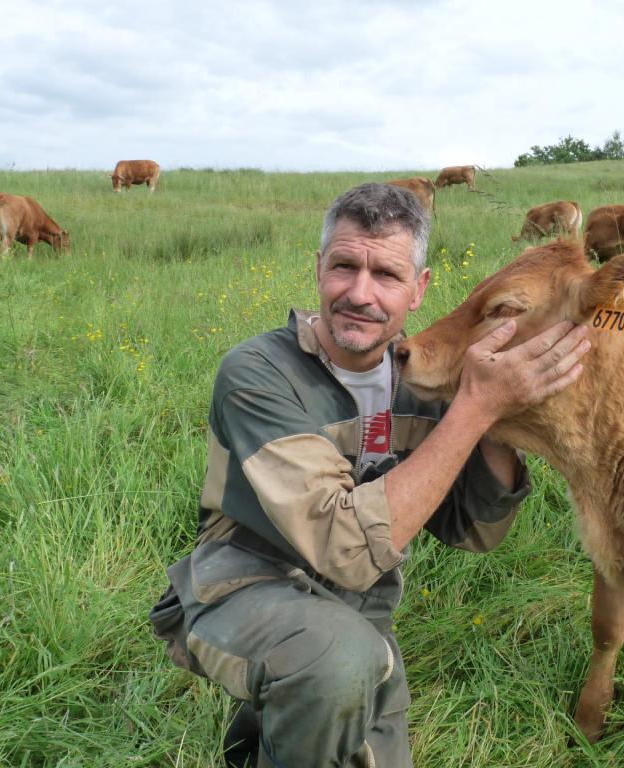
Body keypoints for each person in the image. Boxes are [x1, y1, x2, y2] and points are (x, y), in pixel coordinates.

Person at [149, 182, 592, 767]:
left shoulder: (423, 383)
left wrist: (495, 419)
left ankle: (269, 727)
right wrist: (477, 408)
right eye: (343, 266)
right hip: (239, 588)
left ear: (418, 290)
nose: (360, 293)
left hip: (359, 612)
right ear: (318, 270)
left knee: (349, 692)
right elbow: (346, 549)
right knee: (336, 665)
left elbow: (474, 532)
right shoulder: (260, 373)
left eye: (386, 274)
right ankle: (296, 697)